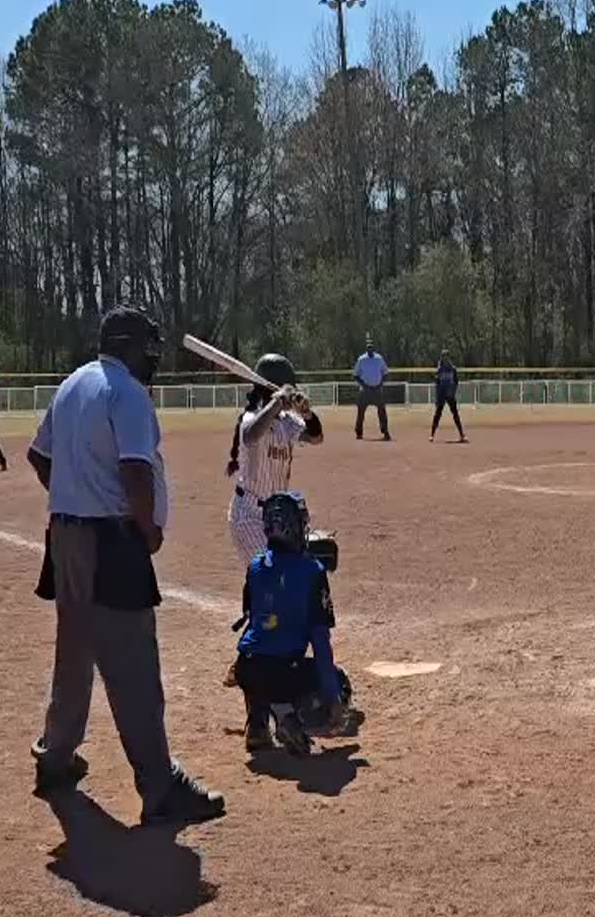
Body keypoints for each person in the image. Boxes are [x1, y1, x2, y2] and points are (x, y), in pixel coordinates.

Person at [26, 306, 224, 827]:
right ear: (128, 346)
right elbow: (136, 471)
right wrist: (148, 529)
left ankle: (55, 759)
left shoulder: (72, 384)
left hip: (66, 536)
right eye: (147, 348)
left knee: (74, 654)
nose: (152, 358)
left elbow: (38, 456)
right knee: (133, 667)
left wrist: (74, 494)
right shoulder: (128, 392)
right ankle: (160, 788)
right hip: (110, 541)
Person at [224, 353, 323, 751]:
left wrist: (305, 410)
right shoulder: (254, 417)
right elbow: (251, 436)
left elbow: (316, 436)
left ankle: (258, 692)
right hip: (250, 516)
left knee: (277, 602)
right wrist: (277, 402)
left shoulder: (286, 422)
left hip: (280, 518)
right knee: (272, 600)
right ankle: (261, 716)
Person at [233, 492, 360, 756]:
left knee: (258, 654)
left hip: (246, 668)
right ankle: (289, 718)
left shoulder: (255, 566)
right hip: (283, 672)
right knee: (339, 681)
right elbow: (320, 643)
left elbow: (253, 620)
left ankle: (257, 726)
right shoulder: (312, 571)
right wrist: (333, 697)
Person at [353, 337, 391, 441]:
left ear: (374, 348)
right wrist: (363, 384)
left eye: (371, 347)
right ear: (366, 349)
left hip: (377, 390)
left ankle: (385, 432)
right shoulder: (361, 359)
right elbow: (355, 375)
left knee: (382, 411)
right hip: (365, 391)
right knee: (360, 412)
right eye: (368, 347)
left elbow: (386, 373)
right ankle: (359, 432)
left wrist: (381, 384)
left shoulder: (379, 359)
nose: (370, 348)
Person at [431, 349, 466, 443]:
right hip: (442, 394)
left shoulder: (453, 369)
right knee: (437, 414)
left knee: (455, 414)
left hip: (450, 394)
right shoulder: (439, 369)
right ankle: (432, 434)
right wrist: (437, 397)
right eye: (443, 356)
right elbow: (437, 383)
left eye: (447, 356)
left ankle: (461, 435)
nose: (445, 358)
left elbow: (456, 382)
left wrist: (453, 391)